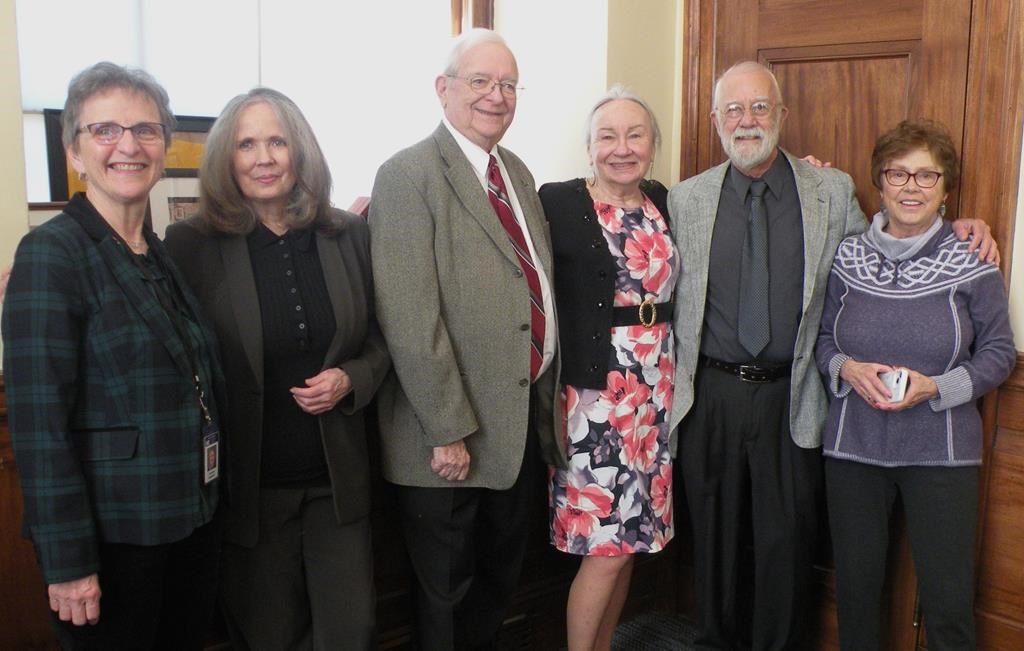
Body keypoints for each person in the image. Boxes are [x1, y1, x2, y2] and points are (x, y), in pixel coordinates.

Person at [666, 61, 998, 650]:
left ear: (782, 116)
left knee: (785, 545)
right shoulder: (684, 199)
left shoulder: (830, 189)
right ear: (716, 120)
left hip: (791, 398)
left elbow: (884, 236)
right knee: (713, 543)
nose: (748, 121)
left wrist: (962, 224)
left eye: (760, 108)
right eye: (734, 110)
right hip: (711, 396)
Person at [2, 62, 224, 649]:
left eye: (145, 130)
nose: (127, 145)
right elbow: (39, 428)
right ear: (74, 151)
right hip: (113, 542)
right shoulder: (52, 254)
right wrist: (69, 564)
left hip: (188, 520)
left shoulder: (156, 251)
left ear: (164, 145)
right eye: (104, 131)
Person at [164, 88, 389, 650]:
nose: (262, 157)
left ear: (299, 152)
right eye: (246, 144)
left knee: (351, 634)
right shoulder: (191, 244)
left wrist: (350, 378)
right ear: (226, 158)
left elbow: (381, 341)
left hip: (338, 485)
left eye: (276, 141)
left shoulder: (347, 233)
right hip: (250, 491)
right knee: (269, 638)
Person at [368, 28, 560, 650]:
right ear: (443, 89)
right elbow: (409, 315)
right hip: (446, 443)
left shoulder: (518, 173)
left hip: (514, 428)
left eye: (507, 84)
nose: (496, 96)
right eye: (480, 81)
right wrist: (447, 427)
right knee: (446, 606)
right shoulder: (407, 175)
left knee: (498, 586)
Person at [816, 118, 1014, 651]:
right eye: (898, 173)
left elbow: (998, 353)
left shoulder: (973, 260)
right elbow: (821, 343)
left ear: (946, 189)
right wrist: (846, 369)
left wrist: (938, 389)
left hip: (941, 454)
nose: (911, 187)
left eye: (927, 176)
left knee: (948, 601)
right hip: (852, 450)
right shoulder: (847, 256)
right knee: (856, 596)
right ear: (878, 183)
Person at [539, 87, 676, 651]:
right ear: (588, 146)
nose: (622, 148)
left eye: (635, 135)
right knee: (606, 547)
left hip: (655, 393)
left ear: (653, 145)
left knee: (631, 545)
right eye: (607, 136)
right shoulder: (556, 201)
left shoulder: (666, 200)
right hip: (593, 401)